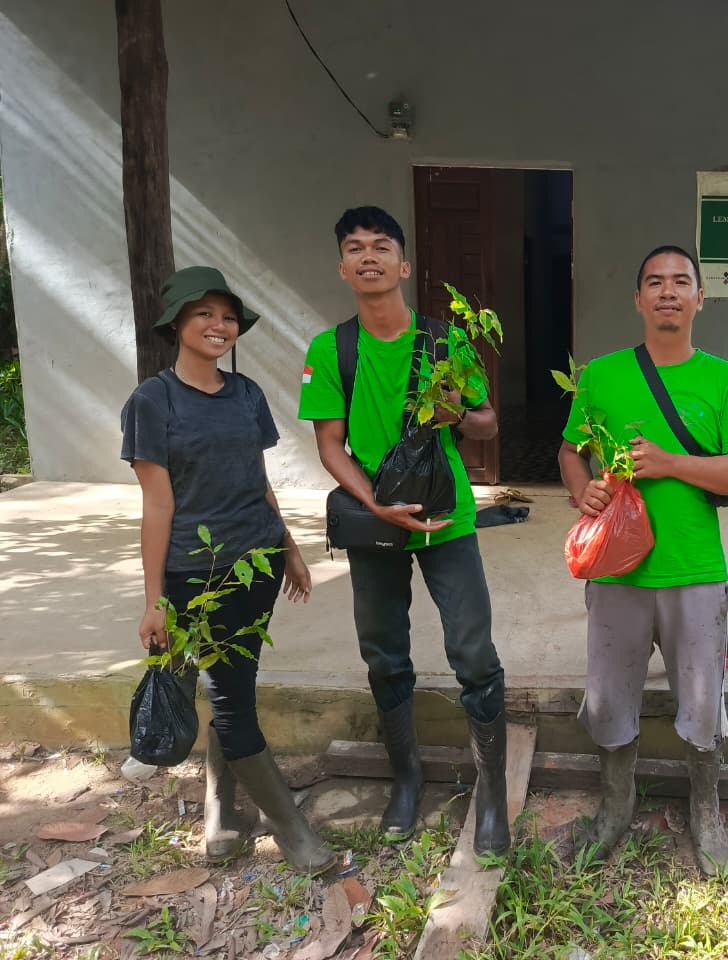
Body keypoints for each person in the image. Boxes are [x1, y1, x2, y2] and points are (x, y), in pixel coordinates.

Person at [298, 207, 510, 853]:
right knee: (384, 651)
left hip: (448, 518)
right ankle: (407, 779)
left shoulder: (446, 342)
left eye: (381, 246)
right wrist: (376, 504)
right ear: (343, 267)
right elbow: (330, 446)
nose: (369, 256)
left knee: (473, 651)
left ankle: (492, 793)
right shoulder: (331, 350)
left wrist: (456, 414)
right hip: (376, 522)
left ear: (404, 264)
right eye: (355, 248)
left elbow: (487, 422)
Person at [558, 244, 728, 874]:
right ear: (638, 299)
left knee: (702, 704)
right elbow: (571, 451)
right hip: (616, 567)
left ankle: (706, 810)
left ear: (701, 298)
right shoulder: (601, 376)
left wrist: (672, 463)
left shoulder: (726, 379)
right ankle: (615, 805)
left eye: (681, 282)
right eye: (655, 282)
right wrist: (581, 489)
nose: (668, 292)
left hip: (694, 569)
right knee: (609, 698)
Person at [121, 266, 335, 875]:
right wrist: (154, 598)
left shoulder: (246, 395)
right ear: (176, 324)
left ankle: (221, 809)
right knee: (232, 700)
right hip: (197, 575)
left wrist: (288, 546)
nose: (219, 325)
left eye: (228, 316)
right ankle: (292, 832)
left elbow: (256, 480)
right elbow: (157, 506)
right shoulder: (151, 402)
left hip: (256, 564)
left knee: (233, 686)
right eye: (204, 314)